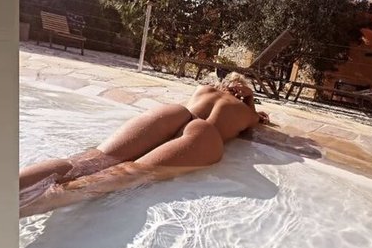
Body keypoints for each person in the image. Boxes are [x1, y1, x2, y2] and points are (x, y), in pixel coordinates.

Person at [19, 73, 270, 217]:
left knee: (88, 160)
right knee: (127, 173)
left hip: (174, 113)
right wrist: (249, 101)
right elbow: (255, 121)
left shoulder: (203, 89)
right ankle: (30, 206)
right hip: (205, 135)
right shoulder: (243, 109)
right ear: (242, 93)